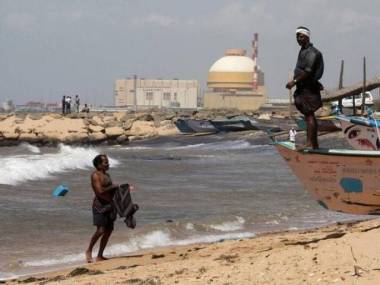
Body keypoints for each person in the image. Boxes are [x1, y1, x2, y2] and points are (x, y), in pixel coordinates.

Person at [286, 26, 324, 149]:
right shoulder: (303, 50)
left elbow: (308, 71)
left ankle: (309, 144)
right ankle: (315, 145)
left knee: (309, 115)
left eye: (301, 36)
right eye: (297, 37)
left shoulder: (313, 52)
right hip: (303, 88)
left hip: (309, 88)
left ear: (307, 37)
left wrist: (294, 81)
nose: (298, 39)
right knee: (308, 115)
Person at [85, 154, 119, 263]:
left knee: (108, 231)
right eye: (105, 162)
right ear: (99, 165)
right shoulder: (95, 175)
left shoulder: (107, 175)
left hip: (110, 205)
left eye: (107, 162)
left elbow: (111, 190)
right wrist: (113, 186)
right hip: (99, 206)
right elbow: (100, 191)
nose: (108, 164)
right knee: (100, 230)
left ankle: (100, 255)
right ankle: (89, 250)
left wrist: (124, 189)